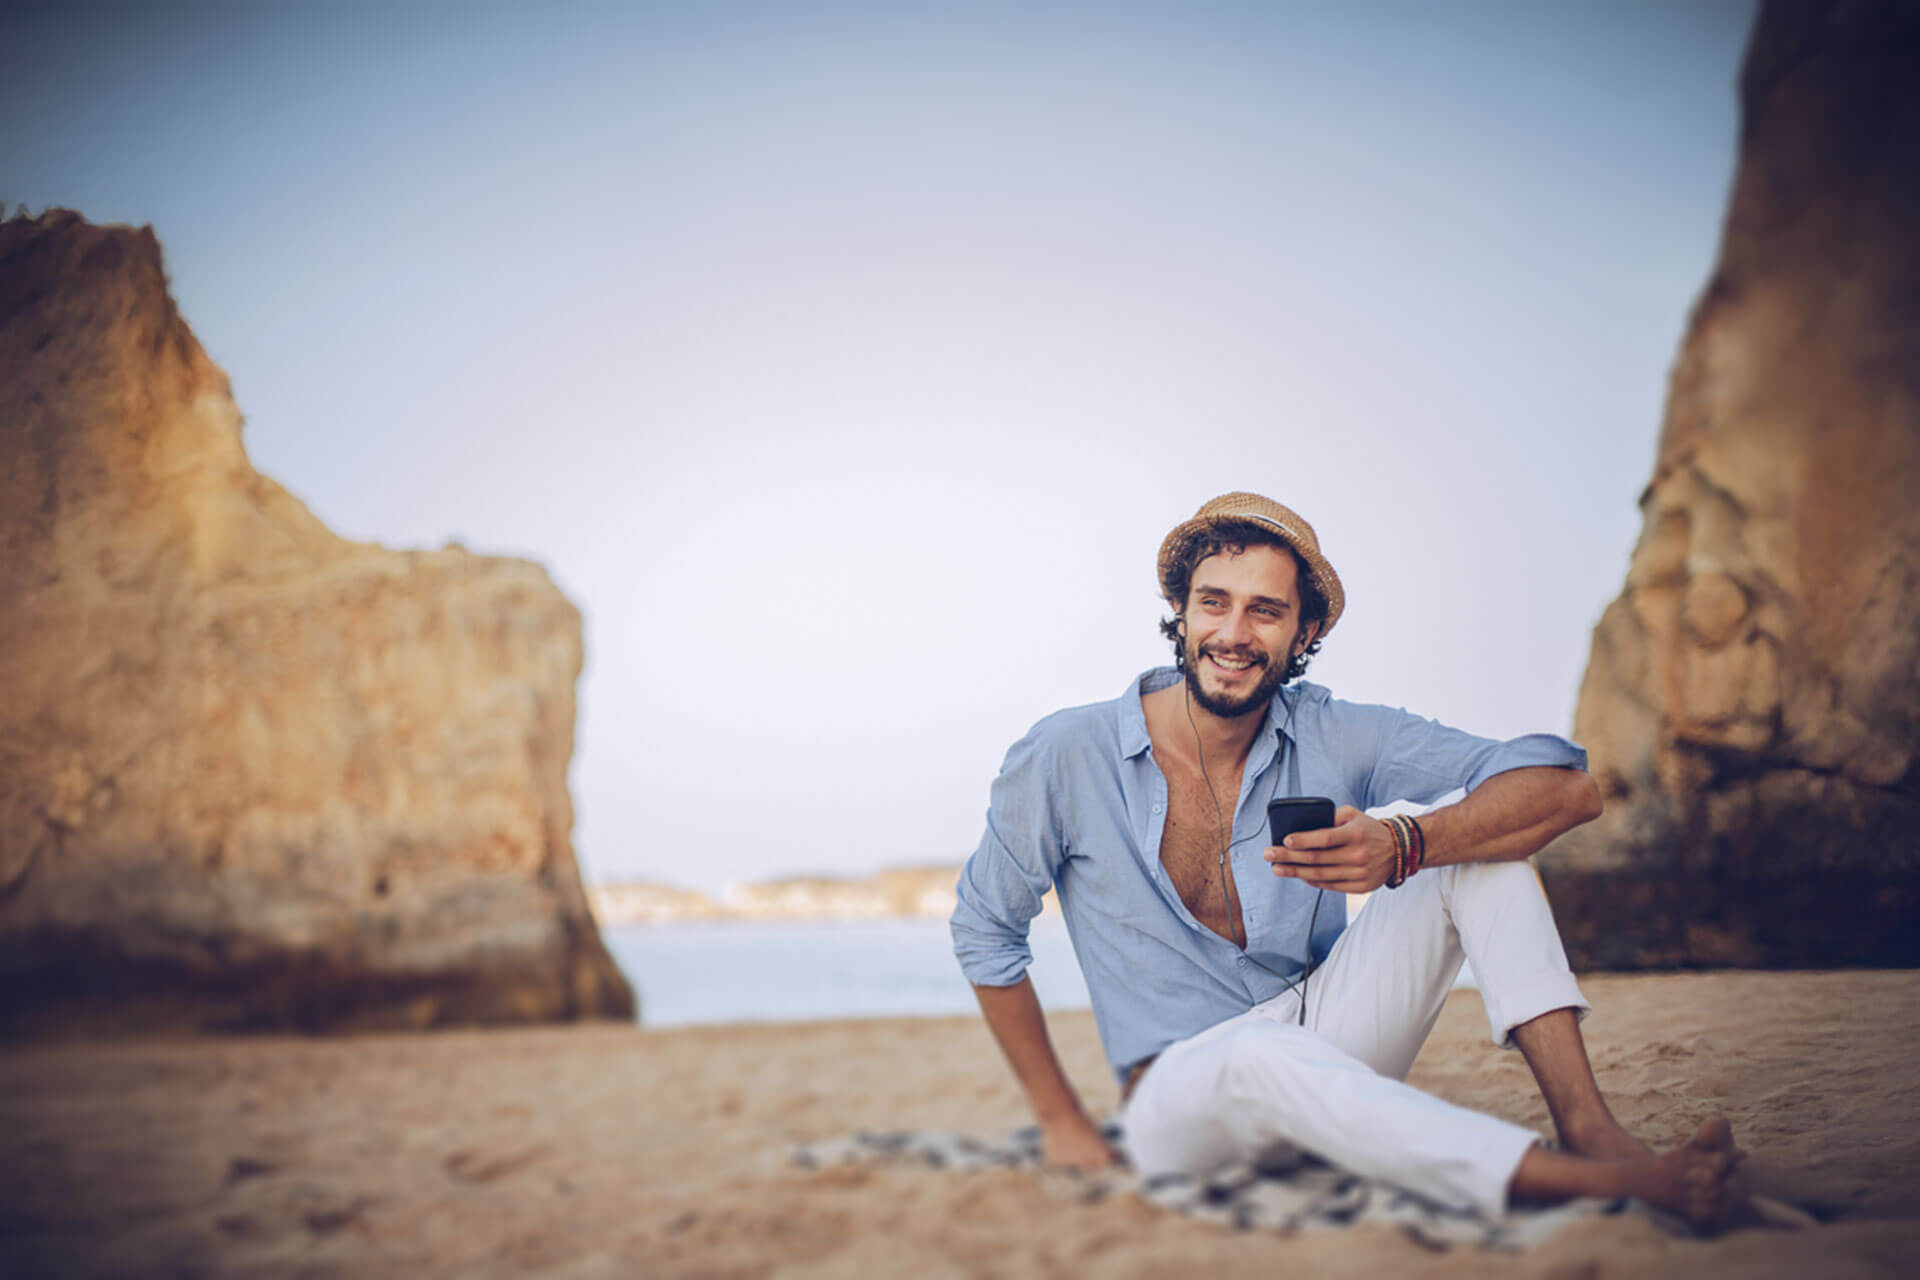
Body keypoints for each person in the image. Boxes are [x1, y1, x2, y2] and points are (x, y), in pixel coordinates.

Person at [949, 491, 1750, 1232]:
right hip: (1177, 1097)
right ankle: (1608, 1185)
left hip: (1321, 1036)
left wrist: (1405, 846)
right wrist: (1060, 1120)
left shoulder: (1336, 732)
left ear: (1305, 636)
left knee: (1470, 843)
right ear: (1179, 613)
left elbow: (1566, 788)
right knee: (1256, 1053)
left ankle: (1592, 1132)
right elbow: (987, 930)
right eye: (1213, 604)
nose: (1233, 634)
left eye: (1266, 612)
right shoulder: (1065, 752)